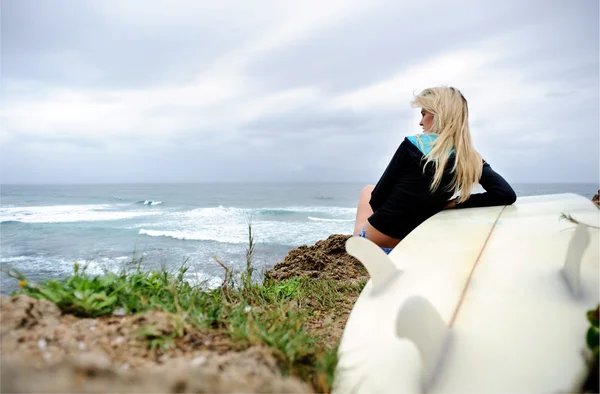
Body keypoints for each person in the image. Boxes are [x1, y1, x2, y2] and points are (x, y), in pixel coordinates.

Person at [353, 86, 516, 254]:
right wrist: (454, 203)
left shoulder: (413, 144)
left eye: (424, 114)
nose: (420, 122)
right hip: (414, 242)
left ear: (439, 114)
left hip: (378, 242)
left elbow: (378, 198)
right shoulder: (469, 158)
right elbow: (505, 193)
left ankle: (356, 248)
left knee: (368, 191)